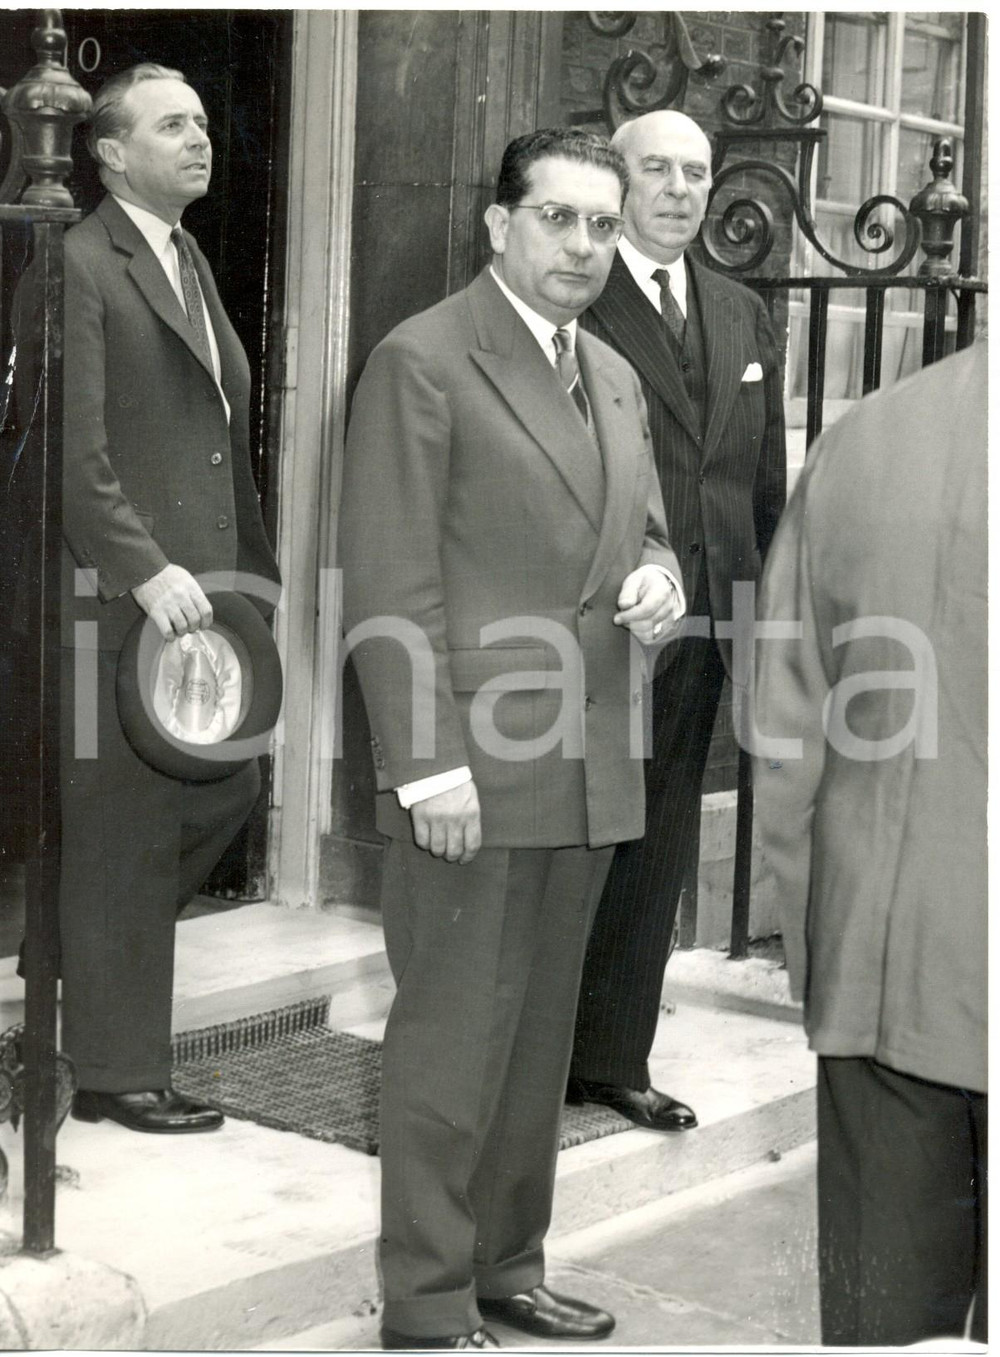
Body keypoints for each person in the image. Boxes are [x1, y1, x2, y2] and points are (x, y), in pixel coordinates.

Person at [340, 127, 685, 1350]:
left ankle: (507, 1265)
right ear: (499, 225)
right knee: (450, 1043)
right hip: (471, 771)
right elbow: (387, 581)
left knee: (538, 1041)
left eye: (603, 224)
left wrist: (661, 577)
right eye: (558, 219)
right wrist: (427, 762)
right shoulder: (423, 360)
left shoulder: (614, 375)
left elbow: (639, 533)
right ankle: (427, 1304)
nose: (583, 246)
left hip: (589, 761)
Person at [24, 64, 280, 1134]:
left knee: (224, 786)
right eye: (171, 124)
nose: (199, 139)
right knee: (128, 824)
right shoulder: (81, 262)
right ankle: (119, 1070)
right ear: (109, 151)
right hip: (124, 595)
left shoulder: (188, 260)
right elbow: (74, 457)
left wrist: (248, 588)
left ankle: (71, 959)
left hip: (211, 596)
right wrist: (143, 565)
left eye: (205, 123)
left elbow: (217, 438)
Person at [753, 342, 987, 1346]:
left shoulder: (861, 436)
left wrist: (819, 951)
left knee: (880, 1323)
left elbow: (780, 726)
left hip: (877, 965)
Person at [569, 110, 786, 1131]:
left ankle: (611, 1055)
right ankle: (540, 1047)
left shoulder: (741, 310)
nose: (679, 189)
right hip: (604, 617)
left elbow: (761, 478)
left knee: (656, 844)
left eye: (695, 172)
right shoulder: (575, 287)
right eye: (653, 168)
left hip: (705, 623)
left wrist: (762, 608)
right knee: (575, 835)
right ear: (615, 178)